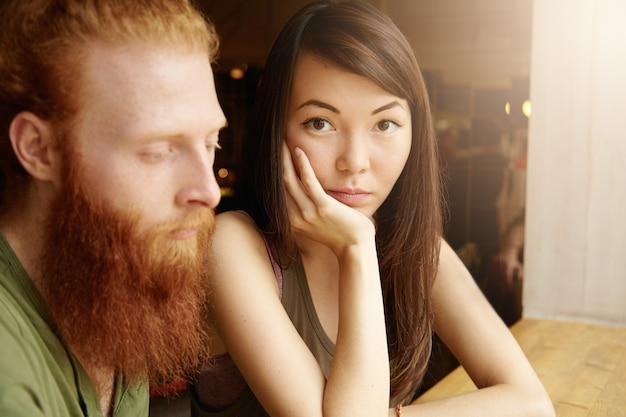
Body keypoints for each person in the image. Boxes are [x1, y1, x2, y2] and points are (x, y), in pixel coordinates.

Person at [192, 1, 555, 417]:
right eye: (320, 123)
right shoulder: (232, 245)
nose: (355, 161)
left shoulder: (415, 247)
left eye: (384, 124)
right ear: (277, 126)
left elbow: (530, 403)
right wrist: (359, 247)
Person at [0, 1, 226, 416]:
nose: (208, 191)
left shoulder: (106, 278)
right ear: (39, 149)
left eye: (212, 143)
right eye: (159, 152)